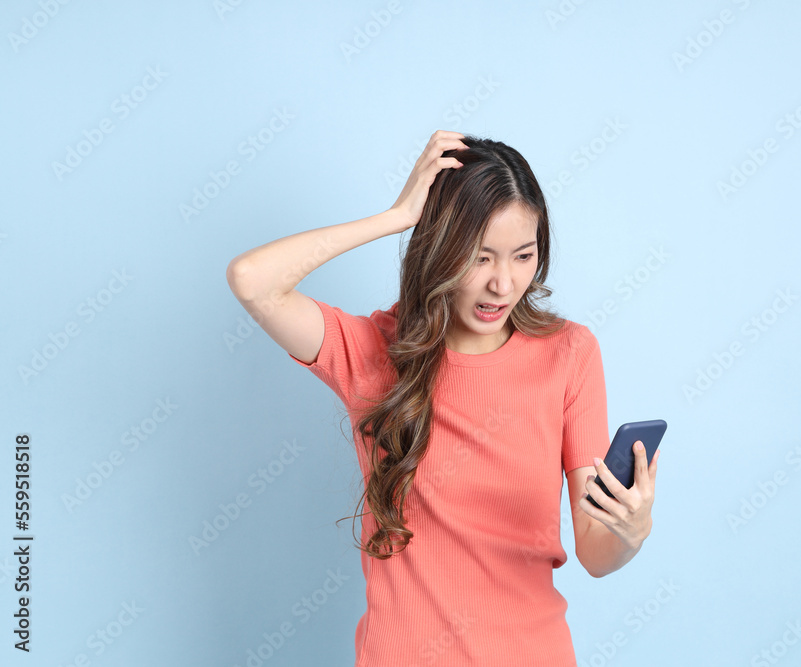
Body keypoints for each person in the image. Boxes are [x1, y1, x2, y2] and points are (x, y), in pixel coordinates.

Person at [225, 130, 659, 665]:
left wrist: (630, 530)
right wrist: (396, 217)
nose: (503, 284)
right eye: (480, 258)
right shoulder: (374, 352)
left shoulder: (569, 354)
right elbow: (252, 280)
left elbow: (595, 552)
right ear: (439, 248)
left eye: (523, 256)